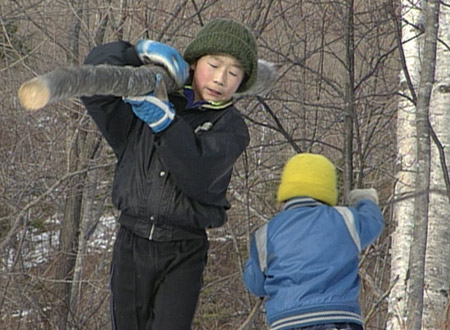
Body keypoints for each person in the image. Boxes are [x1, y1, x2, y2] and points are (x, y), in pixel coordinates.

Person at [81, 18, 267, 330]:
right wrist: (135, 53)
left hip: (183, 250)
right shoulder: (145, 103)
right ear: (193, 63)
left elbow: (199, 174)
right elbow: (93, 81)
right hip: (131, 242)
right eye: (214, 64)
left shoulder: (231, 127)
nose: (221, 78)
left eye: (234, 73)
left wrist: (166, 123)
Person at [243, 153, 384, 330]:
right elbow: (373, 222)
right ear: (327, 188)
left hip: (286, 321)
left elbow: (256, 284)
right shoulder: (344, 219)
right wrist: (365, 201)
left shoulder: (265, 233)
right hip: (337, 317)